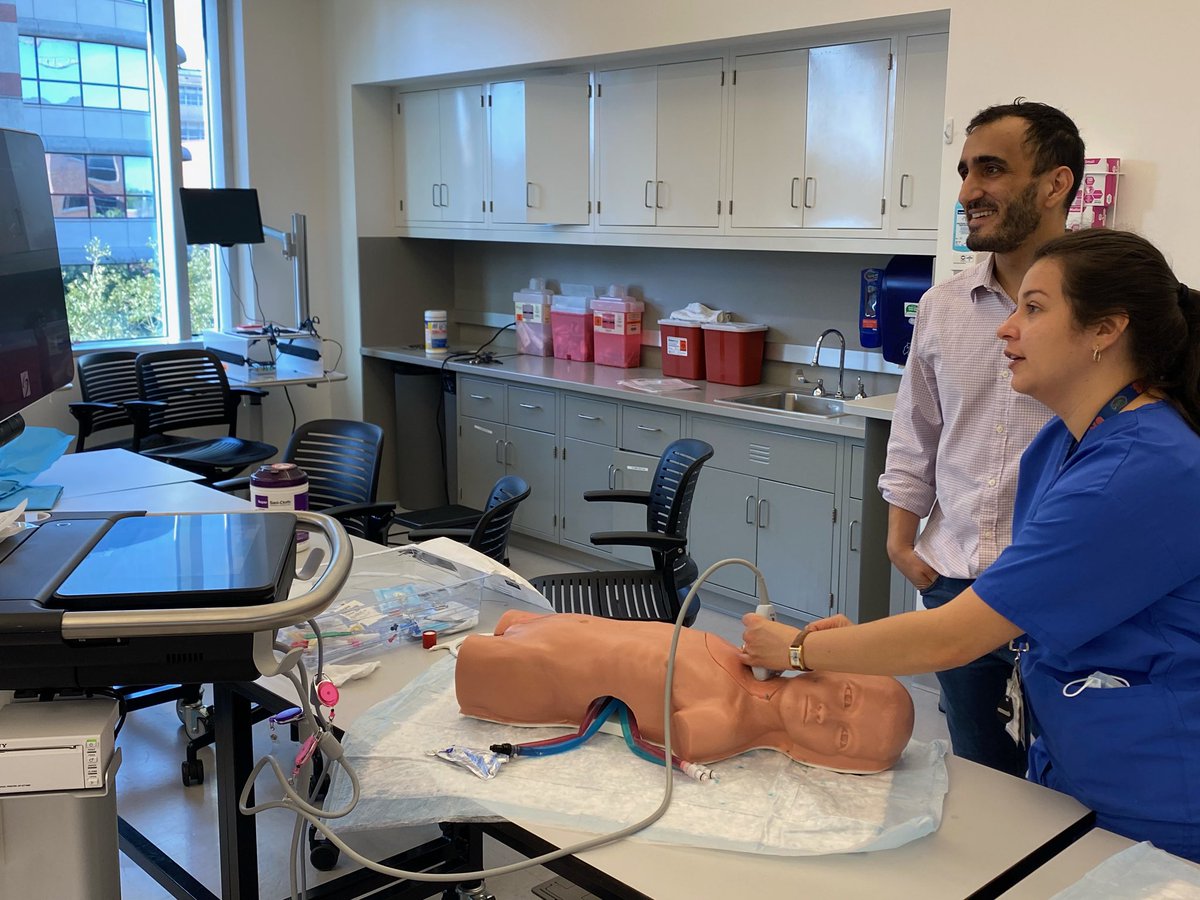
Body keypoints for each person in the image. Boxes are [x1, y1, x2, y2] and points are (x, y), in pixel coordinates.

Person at [742, 228, 1200, 861]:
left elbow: (956, 635)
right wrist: (852, 647)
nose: (1006, 329)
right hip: (1078, 756)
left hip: (1157, 790)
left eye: (1034, 309)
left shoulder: (1140, 469)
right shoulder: (1064, 444)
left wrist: (798, 648)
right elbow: (1031, 601)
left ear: (1105, 330)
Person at [878, 99, 1085, 775]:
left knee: (1072, 780)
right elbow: (917, 431)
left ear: (1055, 184)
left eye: (991, 169)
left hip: (1061, 591)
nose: (968, 192)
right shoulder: (943, 307)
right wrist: (901, 540)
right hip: (954, 579)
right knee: (980, 775)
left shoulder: (1114, 312)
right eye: (966, 171)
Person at [456, 609, 914, 773]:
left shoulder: (735, 724)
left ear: (827, 757)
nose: (826, 714)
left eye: (842, 737)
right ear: (837, 672)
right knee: (533, 627)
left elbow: (688, 732)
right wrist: (796, 647)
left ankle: (486, 657)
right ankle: (517, 624)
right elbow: (758, 634)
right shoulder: (763, 670)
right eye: (847, 698)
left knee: (488, 662)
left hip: (556, 675)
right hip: (581, 630)